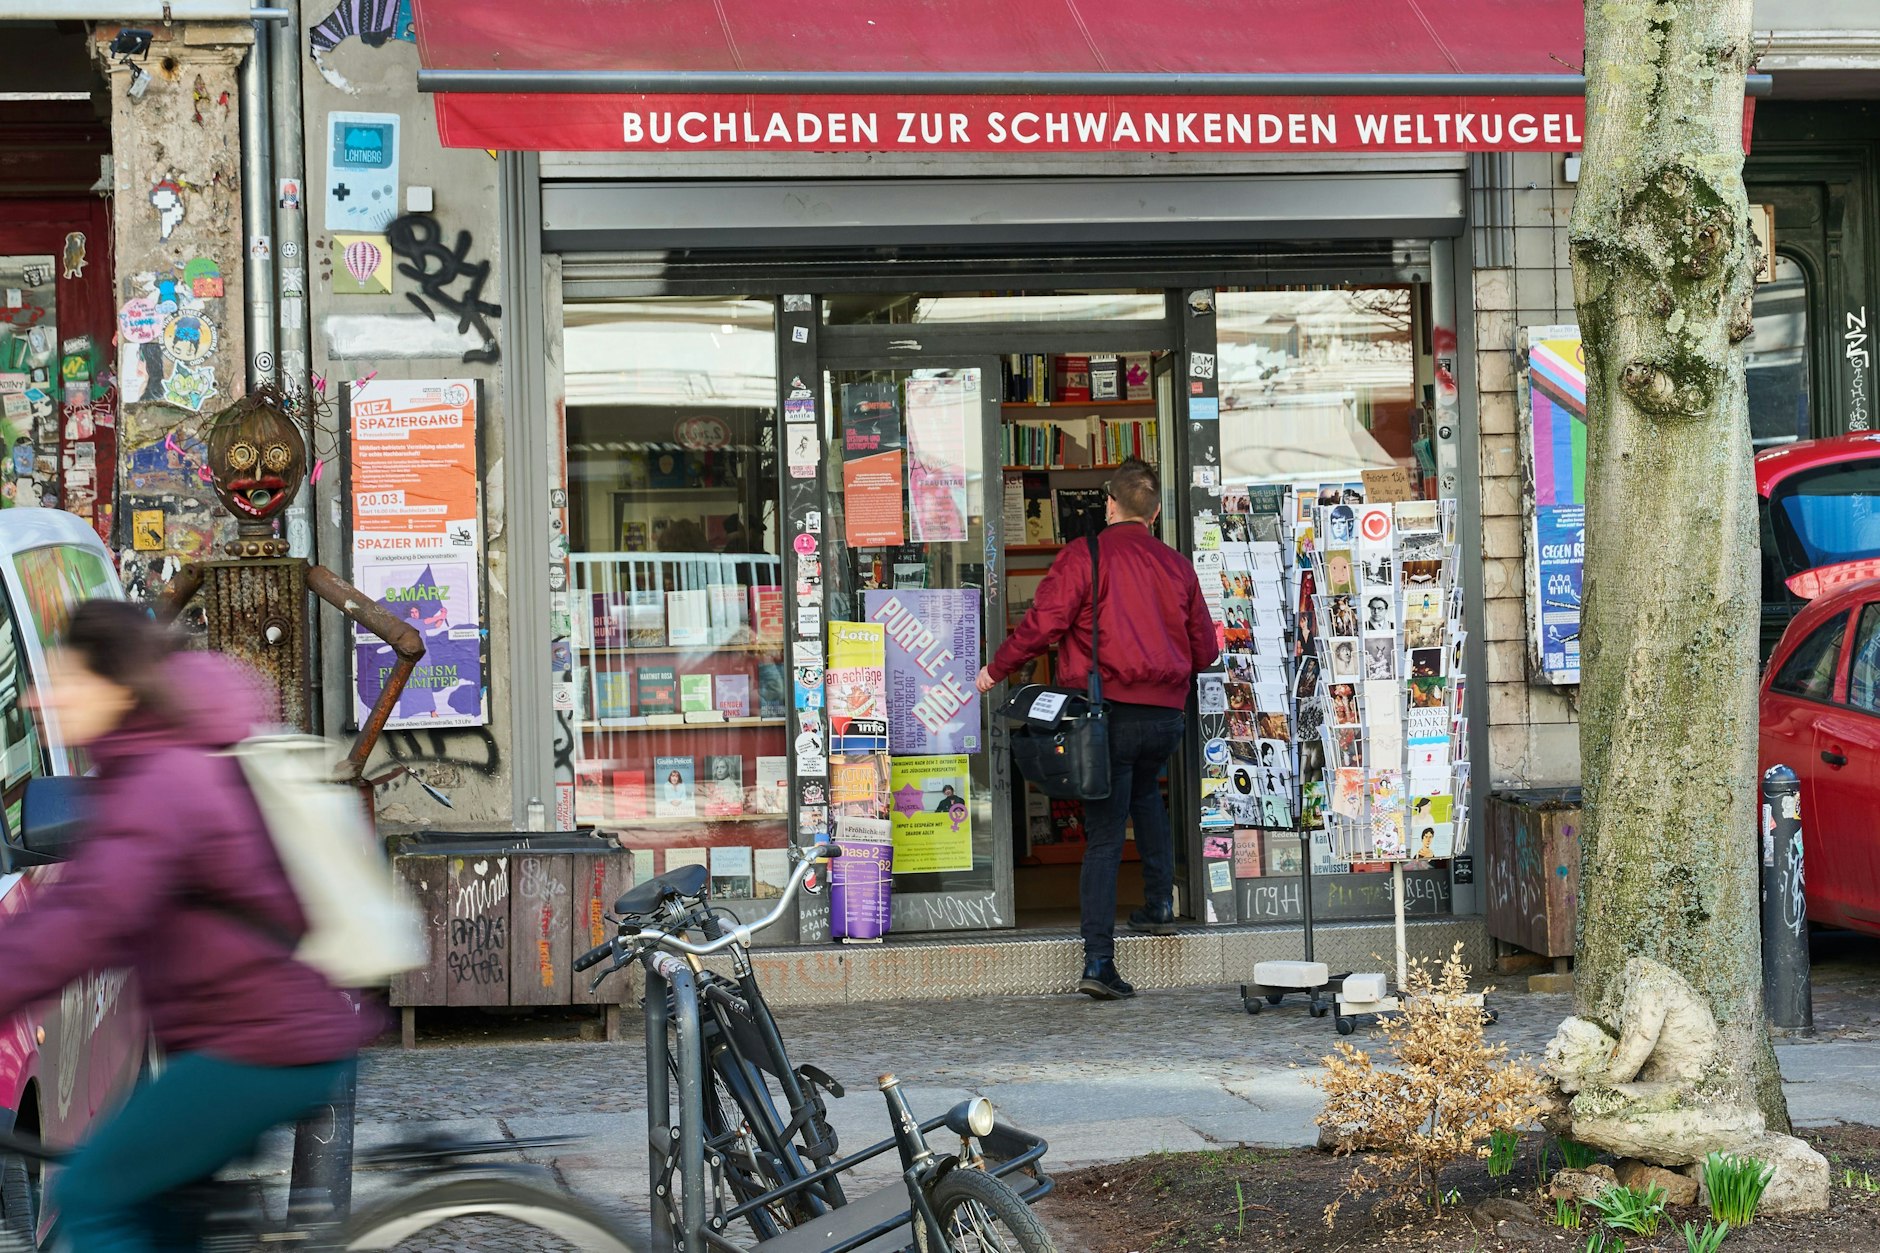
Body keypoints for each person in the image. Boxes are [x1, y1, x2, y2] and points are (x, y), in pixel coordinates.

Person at [0, 601, 372, 1248]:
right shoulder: (156, 759)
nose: (38, 699)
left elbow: (83, 919)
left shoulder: (160, 780)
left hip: (257, 1042)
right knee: (160, 1215)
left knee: (89, 1195)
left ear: (115, 685)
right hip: (250, 1032)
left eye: (62, 679)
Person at [975, 458, 1217, 1000]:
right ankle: (1158, 903)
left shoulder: (1084, 555)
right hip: (1164, 718)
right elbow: (1206, 650)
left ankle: (1099, 961)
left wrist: (996, 669)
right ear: (1154, 513)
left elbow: (1044, 624)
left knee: (1105, 835)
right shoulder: (1178, 566)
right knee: (1148, 800)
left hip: (1105, 714)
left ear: (1110, 504)